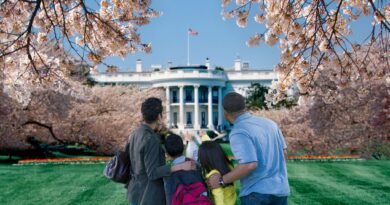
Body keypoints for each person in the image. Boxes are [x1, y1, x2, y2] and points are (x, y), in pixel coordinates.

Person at [207, 92, 290, 205]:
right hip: (280, 191)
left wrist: (221, 180)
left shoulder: (239, 131)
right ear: (245, 108)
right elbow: (284, 153)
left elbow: (249, 165)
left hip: (256, 194)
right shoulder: (270, 124)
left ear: (225, 112)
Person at [127, 97, 195, 205]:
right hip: (149, 196)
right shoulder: (150, 139)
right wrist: (180, 166)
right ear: (159, 117)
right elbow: (153, 173)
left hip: (135, 193)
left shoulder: (134, 134)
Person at [163, 133, 211, 205]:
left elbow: (171, 199)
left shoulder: (169, 175)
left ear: (167, 153)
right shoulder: (196, 166)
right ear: (183, 147)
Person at [198, 141, 237, 205]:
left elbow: (218, 196)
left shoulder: (213, 175)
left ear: (204, 160)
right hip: (234, 200)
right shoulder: (230, 166)